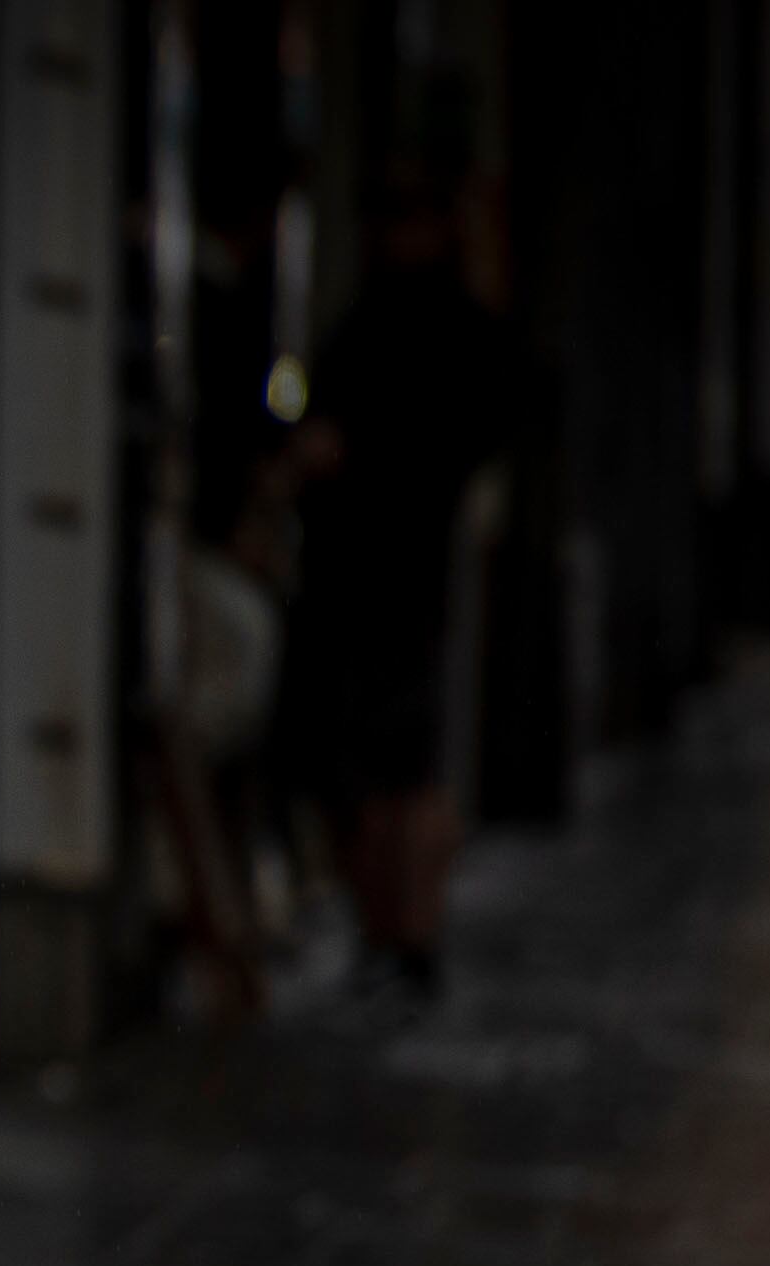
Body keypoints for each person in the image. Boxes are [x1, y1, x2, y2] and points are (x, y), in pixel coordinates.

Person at [293, 168, 525, 1003]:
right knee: (374, 765)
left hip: (401, 565)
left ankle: (405, 936)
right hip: (368, 566)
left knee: (402, 763)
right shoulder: (380, 323)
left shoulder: (426, 328)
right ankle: (391, 936)